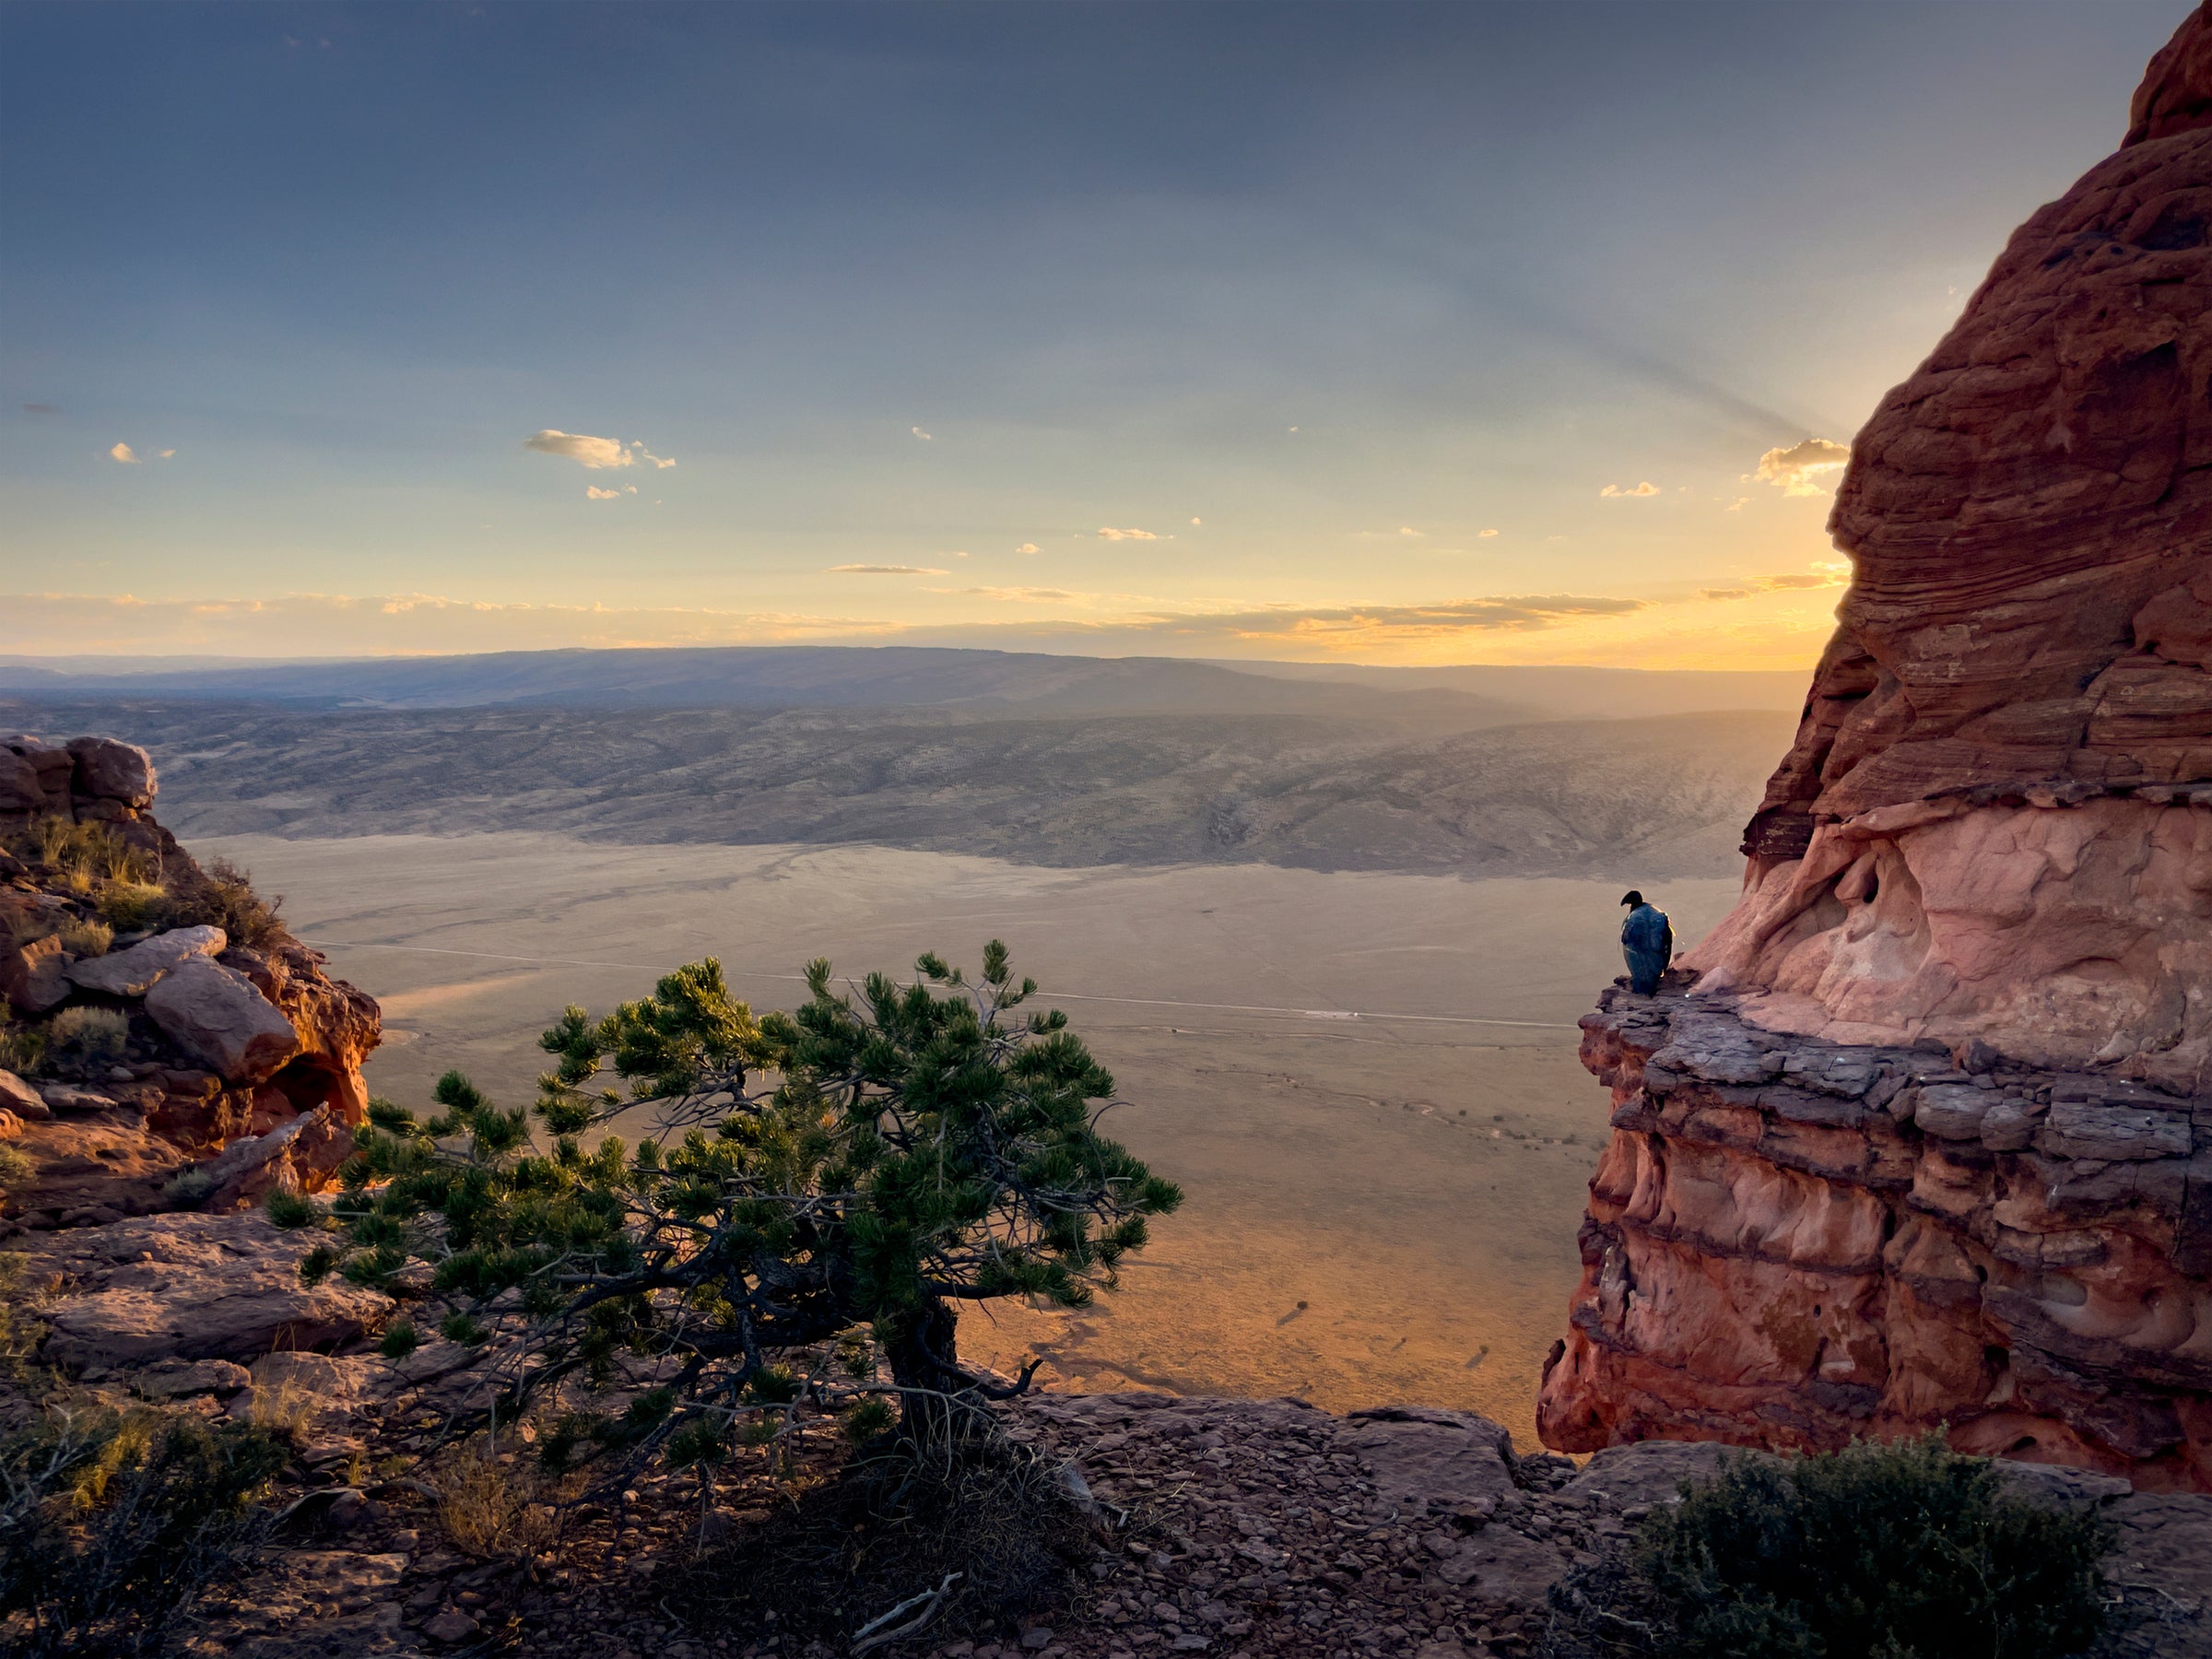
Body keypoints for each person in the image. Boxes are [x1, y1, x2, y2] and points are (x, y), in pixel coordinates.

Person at [1619, 889, 1673, 995]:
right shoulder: (1659, 917)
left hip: (1641, 967)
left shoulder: (1632, 920)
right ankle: (1652, 979)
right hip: (1657, 964)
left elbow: (1629, 948)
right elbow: (1667, 945)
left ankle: (1641, 981)